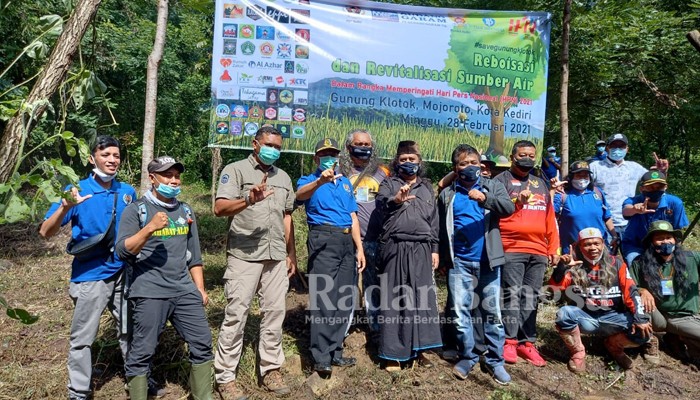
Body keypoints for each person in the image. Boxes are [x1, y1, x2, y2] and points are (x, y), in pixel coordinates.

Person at [39, 136, 137, 400]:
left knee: (129, 330)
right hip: (90, 276)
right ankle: (79, 392)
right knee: (83, 338)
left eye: (116, 155)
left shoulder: (127, 192)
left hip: (124, 273)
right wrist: (65, 207)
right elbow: (45, 232)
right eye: (105, 155)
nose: (112, 160)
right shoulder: (76, 190)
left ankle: (137, 381)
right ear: (92, 158)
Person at [116, 156, 213, 400]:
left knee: (202, 343)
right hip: (149, 290)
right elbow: (122, 250)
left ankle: (203, 396)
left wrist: (199, 288)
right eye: (167, 175)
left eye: (176, 175)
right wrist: (148, 228)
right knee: (142, 352)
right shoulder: (136, 209)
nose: (173, 180)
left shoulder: (185, 210)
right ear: (152, 178)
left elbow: (195, 255)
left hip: (184, 289)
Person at [213, 126, 296, 398]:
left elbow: (287, 217)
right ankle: (225, 377)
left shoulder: (283, 177)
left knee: (274, 314)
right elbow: (219, 208)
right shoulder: (236, 170)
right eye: (269, 144)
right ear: (255, 144)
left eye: (278, 146)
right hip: (244, 255)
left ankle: (271, 370)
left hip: (275, 257)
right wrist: (248, 199)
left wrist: (290, 253)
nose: (274, 150)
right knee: (237, 314)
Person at [438, 145, 515, 384]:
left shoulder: (492, 186)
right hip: (459, 262)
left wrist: (486, 199)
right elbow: (441, 228)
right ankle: (468, 356)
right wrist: (442, 257)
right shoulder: (448, 194)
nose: (470, 167)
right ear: (456, 168)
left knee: (492, 313)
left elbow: (509, 208)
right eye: (464, 163)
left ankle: (495, 360)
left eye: (474, 162)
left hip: (488, 262)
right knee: (460, 314)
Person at [296, 138, 366, 375]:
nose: (329, 157)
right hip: (323, 237)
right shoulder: (309, 180)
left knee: (344, 299)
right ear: (316, 158)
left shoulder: (345, 182)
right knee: (324, 298)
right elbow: (300, 195)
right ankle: (320, 356)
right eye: (324, 154)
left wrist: (360, 248)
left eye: (332, 154)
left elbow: (353, 215)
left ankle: (336, 351)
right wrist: (319, 181)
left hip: (347, 240)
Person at [376, 140, 442, 371]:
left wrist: (435, 249)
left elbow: (434, 222)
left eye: (411, 159)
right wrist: (396, 200)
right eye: (403, 159)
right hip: (396, 246)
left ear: (419, 162)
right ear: (397, 162)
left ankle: (422, 349)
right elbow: (381, 205)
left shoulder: (426, 187)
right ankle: (392, 354)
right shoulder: (388, 183)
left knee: (422, 300)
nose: (407, 163)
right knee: (395, 300)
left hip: (423, 249)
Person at [493, 140, 560, 367]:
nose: (528, 159)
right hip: (511, 247)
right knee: (511, 294)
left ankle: (526, 342)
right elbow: (497, 209)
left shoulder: (540, 184)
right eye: (523, 154)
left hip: (538, 250)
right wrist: (517, 202)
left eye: (532, 155)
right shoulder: (500, 180)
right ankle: (509, 341)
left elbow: (549, 218)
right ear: (513, 156)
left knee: (531, 296)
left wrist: (553, 248)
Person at [550, 227, 653, 372]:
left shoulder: (616, 263)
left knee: (645, 331)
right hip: (585, 317)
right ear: (579, 246)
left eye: (596, 243)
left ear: (603, 244)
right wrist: (561, 267)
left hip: (614, 317)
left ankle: (614, 346)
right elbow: (554, 289)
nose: (593, 247)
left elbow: (631, 291)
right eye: (587, 244)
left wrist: (640, 318)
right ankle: (578, 352)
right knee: (564, 313)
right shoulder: (574, 264)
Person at [338, 129, 389, 340]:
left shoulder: (383, 172)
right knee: (346, 285)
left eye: (367, 144)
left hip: (373, 237)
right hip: (346, 237)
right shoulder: (339, 170)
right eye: (359, 144)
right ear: (349, 147)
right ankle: (342, 329)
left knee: (373, 284)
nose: (364, 148)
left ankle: (375, 327)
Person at [630, 220, 700, 361]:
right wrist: (642, 290)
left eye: (668, 237)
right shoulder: (640, 263)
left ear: (675, 240)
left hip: (684, 316)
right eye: (659, 238)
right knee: (635, 300)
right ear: (651, 242)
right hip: (657, 315)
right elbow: (629, 286)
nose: (665, 242)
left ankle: (677, 337)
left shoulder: (692, 258)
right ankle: (649, 340)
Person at [589, 133, 668, 242]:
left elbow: (656, 184)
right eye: (614, 146)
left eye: (621, 146)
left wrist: (662, 171)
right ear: (607, 148)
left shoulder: (634, 167)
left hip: (630, 221)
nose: (617, 149)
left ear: (627, 149)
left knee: (633, 256)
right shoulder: (595, 167)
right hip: (604, 223)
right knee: (606, 258)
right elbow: (581, 187)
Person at [621, 170, 689, 266]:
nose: (655, 190)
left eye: (659, 187)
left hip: (662, 245)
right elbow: (626, 211)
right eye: (650, 187)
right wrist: (635, 209)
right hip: (636, 245)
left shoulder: (675, 203)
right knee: (635, 266)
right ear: (641, 189)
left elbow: (678, 229)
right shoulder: (633, 201)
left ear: (665, 187)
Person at [554, 160, 618, 254]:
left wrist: (614, 236)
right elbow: (551, 217)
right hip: (573, 251)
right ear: (571, 177)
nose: (582, 178)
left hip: (599, 249)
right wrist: (552, 191)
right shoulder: (562, 195)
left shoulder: (598, 193)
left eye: (585, 175)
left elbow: (607, 217)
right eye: (579, 175)